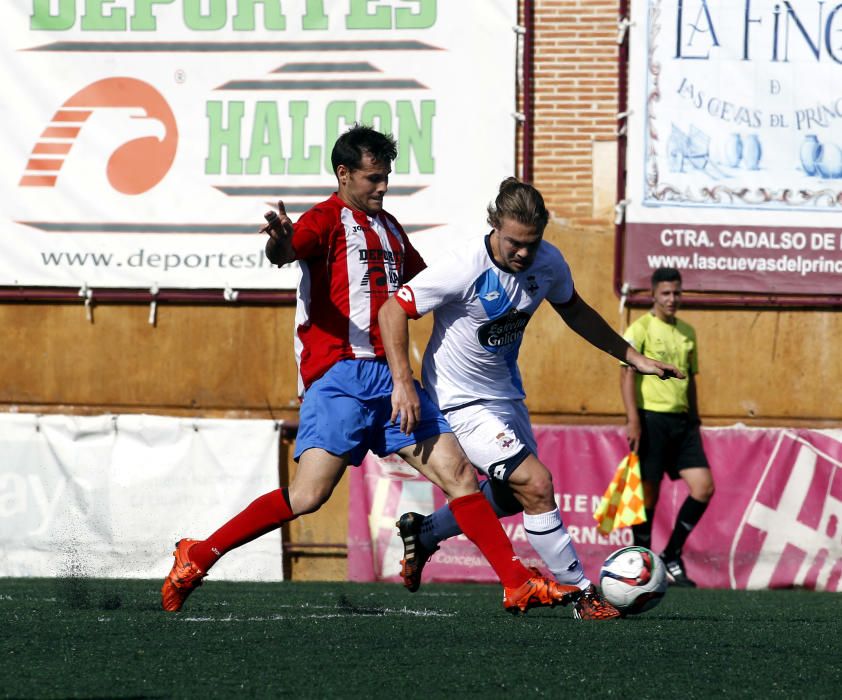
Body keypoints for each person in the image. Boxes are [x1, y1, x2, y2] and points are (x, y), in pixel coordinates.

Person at [161, 125, 580, 615]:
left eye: (386, 178)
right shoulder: (324, 220)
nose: (381, 187)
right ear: (344, 175)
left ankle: (515, 581)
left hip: (392, 375)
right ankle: (200, 552)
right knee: (308, 495)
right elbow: (288, 251)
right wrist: (279, 240)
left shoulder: (390, 228)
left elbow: (429, 286)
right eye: (372, 178)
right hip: (340, 376)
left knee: (460, 475)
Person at [378, 177, 683, 620]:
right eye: (514, 243)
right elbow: (394, 310)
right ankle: (582, 594)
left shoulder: (548, 263)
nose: (523, 253)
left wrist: (633, 357)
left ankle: (424, 534)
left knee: (509, 496)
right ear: (494, 225)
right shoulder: (463, 265)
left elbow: (575, 310)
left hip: (506, 397)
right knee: (536, 484)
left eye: (532, 243)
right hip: (457, 401)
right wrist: (403, 381)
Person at [620, 267, 715, 587]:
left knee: (703, 488)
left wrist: (696, 418)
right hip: (651, 420)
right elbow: (626, 373)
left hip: (683, 423)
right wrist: (633, 419)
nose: (672, 299)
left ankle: (671, 554)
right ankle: (641, 562)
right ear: (653, 295)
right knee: (648, 496)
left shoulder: (687, 332)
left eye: (676, 293)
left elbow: (690, 380)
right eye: (665, 293)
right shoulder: (641, 327)